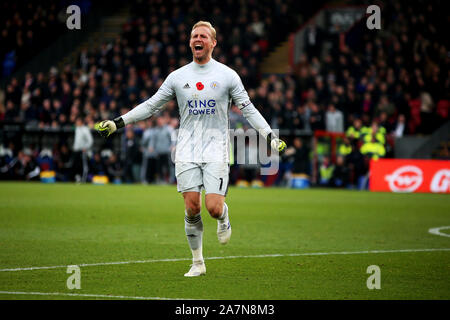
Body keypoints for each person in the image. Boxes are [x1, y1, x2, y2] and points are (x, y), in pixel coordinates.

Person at [94, 21, 287, 277]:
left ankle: (224, 216)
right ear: (190, 42)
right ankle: (197, 263)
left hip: (217, 148)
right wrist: (118, 122)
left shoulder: (228, 76)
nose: (198, 39)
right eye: (194, 35)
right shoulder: (178, 77)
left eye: (203, 36)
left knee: (213, 208)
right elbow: (151, 105)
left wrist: (270, 137)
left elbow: (248, 109)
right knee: (192, 207)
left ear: (213, 43)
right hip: (186, 149)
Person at [72, 117, 93, 182]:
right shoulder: (77, 129)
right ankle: (78, 179)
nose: (76, 123)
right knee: (76, 166)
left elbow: (90, 141)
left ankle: (84, 179)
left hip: (83, 151)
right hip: (76, 151)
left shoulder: (85, 129)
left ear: (81, 122)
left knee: (84, 167)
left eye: (77, 121)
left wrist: (85, 148)